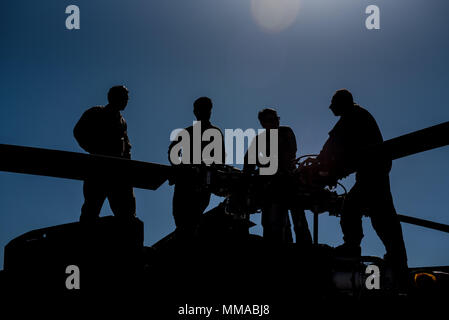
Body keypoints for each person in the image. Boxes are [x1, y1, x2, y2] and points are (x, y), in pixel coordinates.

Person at [317, 89, 408, 276]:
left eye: (333, 103)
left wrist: (323, 165)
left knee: (352, 208)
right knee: (382, 217)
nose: (330, 107)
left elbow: (333, 144)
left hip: (372, 173)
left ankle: (353, 246)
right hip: (373, 173)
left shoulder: (353, 116)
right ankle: (397, 258)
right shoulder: (356, 116)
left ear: (343, 102)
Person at [244, 108, 312, 244]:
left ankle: (305, 250)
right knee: (274, 223)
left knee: (298, 221)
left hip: (290, 183)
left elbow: (288, 153)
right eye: (270, 120)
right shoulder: (259, 140)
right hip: (271, 187)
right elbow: (248, 163)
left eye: (276, 119)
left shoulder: (286, 132)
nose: (275, 122)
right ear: (263, 123)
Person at [74, 85, 136, 222]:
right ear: (115, 98)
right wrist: (95, 150)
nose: (127, 101)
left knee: (127, 212)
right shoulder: (96, 112)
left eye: (127, 98)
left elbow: (126, 146)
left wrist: (128, 167)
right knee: (91, 209)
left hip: (118, 171)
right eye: (124, 98)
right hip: (98, 170)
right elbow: (79, 131)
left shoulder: (122, 121)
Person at [168, 97, 225, 238]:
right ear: (195, 111)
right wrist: (181, 168)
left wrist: (207, 174)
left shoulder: (214, 133)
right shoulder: (187, 132)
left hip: (201, 184)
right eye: (201, 108)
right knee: (181, 219)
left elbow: (220, 160)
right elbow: (172, 152)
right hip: (184, 182)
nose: (204, 112)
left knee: (192, 221)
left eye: (207, 108)